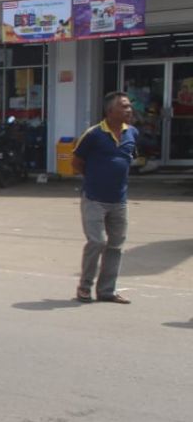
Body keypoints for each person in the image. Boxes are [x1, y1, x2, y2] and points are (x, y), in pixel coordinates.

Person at [73, 90, 137, 304]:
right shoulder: (93, 134)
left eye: (129, 106)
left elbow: (129, 159)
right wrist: (94, 179)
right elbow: (76, 163)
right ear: (110, 111)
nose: (129, 110)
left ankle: (107, 291)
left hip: (119, 200)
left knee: (116, 245)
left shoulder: (132, 133)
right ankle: (84, 287)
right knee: (97, 242)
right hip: (94, 199)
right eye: (124, 106)